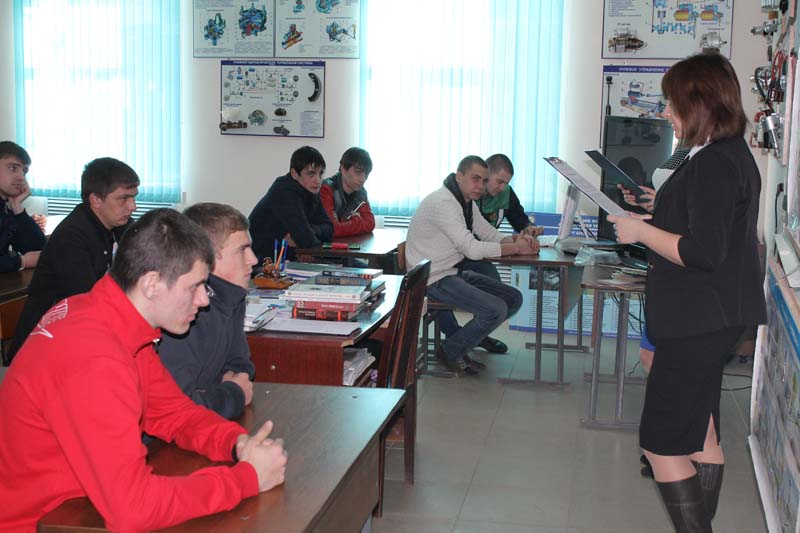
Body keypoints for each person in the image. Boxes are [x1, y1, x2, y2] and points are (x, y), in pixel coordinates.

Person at [0, 209, 287, 531]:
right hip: (44, 522)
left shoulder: (113, 318)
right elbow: (133, 509)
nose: (204, 300)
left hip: (81, 505)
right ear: (152, 284)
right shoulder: (96, 358)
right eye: (195, 286)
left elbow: (172, 412)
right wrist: (246, 479)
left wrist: (236, 443)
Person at [608, 53, 766, 531]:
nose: (666, 113)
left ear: (698, 104)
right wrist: (659, 212)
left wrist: (640, 231)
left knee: (661, 443)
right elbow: (707, 223)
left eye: (671, 103)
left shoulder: (713, 162)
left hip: (697, 320)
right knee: (701, 435)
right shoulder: (725, 153)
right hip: (714, 316)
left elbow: (703, 251)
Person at [405, 155, 536, 376]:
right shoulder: (444, 203)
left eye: (484, 180)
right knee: (495, 309)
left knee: (513, 299)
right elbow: (472, 249)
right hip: (431, 278)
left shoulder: (464, 201)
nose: (480, 185)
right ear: (459, 176)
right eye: (475, 179)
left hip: (451, 272)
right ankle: (450, 351)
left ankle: (462, 343)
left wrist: (513, 241)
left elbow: (486, 231)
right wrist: (516, 248)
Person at [8, 157, 139, 362]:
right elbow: (88, 302)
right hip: (44, 350)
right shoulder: (71, 237)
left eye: (134, 197)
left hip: (82, 336)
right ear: (95, 200)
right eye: (124, 198)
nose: (133, 206)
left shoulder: (119, 224)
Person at [157, 203, 258, 419]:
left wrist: (234, 383)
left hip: (207, 423)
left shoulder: (233, 295)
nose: (253, 259)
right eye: (242, 250)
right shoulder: (182, 311)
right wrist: (234, 393)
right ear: (208, 257)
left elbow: (240, 363)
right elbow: (178, 407)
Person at [436, 153, 543, 354]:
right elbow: (471, 244)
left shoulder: (489, 196)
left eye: (506, 183)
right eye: (498, 181)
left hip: (479, 256)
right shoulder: (456, 200)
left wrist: (523, 234)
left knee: (502, 297)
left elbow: (494, 229)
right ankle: (456, 339)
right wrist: (515, 247)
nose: (501, 188)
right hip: (451, 262)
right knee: (449, 296)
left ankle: (474, 336)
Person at [249, 146, 333, 265]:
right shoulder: (285, 192)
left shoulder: (309, 189)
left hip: (289, 258)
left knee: (352, 266)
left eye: (321, 174)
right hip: (264, 264)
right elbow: (307, 240)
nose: (318, 180)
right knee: (346, 267)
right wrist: (304, 234)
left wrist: (309, 230)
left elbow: (329, 229)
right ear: (294, 173)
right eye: (311, 174)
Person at [0, 141, 46, 273]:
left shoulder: (6, 207)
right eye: (12, 168)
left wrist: (17, 207)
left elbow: (38, 249)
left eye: (24, 171)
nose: (21, 178)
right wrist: (22, 261)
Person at [320, 147, 375, 237]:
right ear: (343, 169)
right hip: (319, 244)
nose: (363, 179)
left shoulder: (361, 192)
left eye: (366, 174)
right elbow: (332, 229)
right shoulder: (326, 189)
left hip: (345, 243)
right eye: (358, 172)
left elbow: (370, 224)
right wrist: (357, 220)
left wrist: (344, 225)